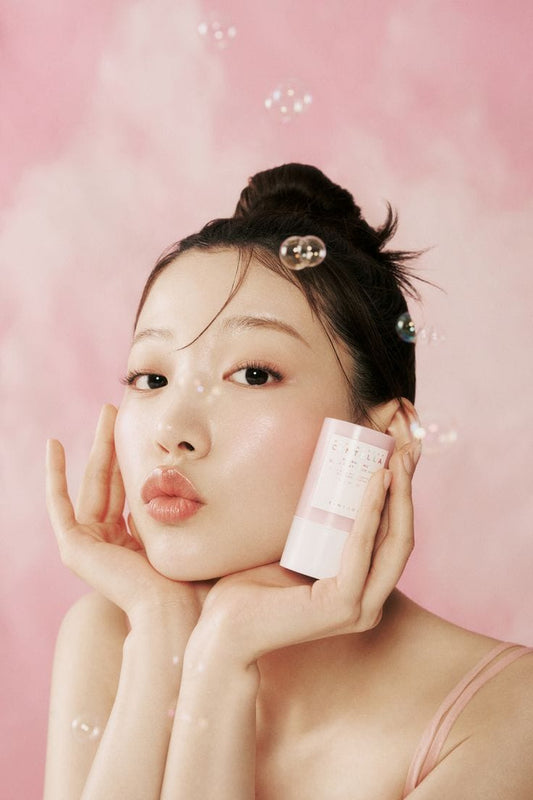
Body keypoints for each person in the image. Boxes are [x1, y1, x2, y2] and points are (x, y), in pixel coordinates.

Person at [44, 163, 533, 799]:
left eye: (253, 375)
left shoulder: (505, 713)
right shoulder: (115, 634)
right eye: (151, 378)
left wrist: (222, 659)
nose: (172, 431)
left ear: (380, 437)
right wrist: (165, 636)